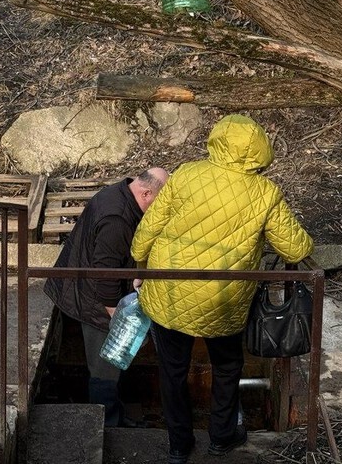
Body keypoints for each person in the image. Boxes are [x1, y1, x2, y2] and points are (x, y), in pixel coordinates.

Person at [131, 115, 312, 464]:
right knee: (227, 367)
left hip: (170, 292)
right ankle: (221, 438)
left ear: (216, 141)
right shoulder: (265, 193)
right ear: (261, 151)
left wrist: (140, 262)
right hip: (224, 302)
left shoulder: (186, 174)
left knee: (172, 371)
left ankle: (179, 446)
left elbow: (147, 233)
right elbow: (297, 250)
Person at [44, 167, 169, 427]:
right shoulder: (117, 219)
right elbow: (105, 276)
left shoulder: (120, 192)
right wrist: (118, 320)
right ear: (146, 192)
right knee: (105, 370)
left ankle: (116, 415)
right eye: (160, 201)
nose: (162, 209)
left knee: (108, 366)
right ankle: (108, 425)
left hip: (84, 287)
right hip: (94, 299)